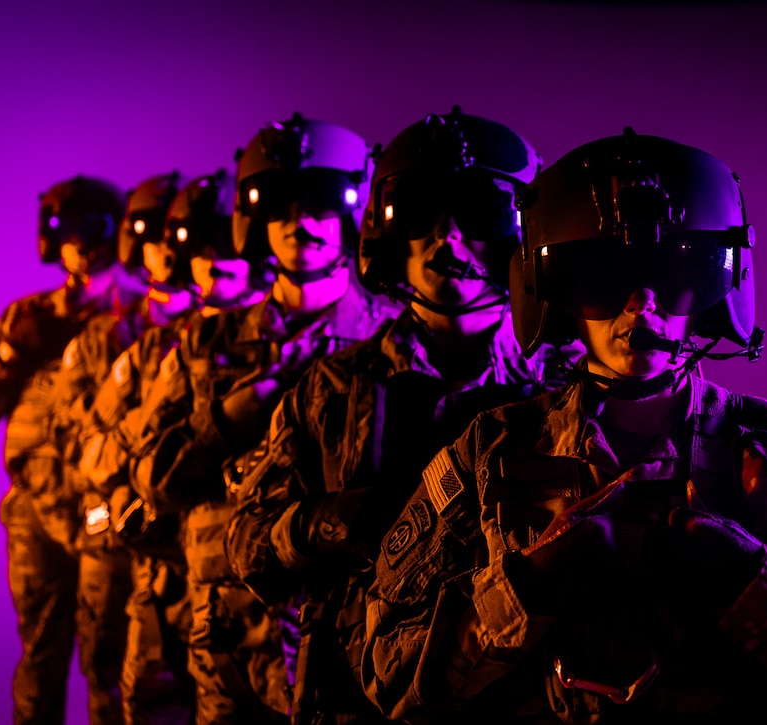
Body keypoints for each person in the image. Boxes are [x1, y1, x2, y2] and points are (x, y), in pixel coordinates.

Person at [361, 129, 767, 723]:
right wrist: (528, 586)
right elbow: (386, 675)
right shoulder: (490, 453)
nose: (641, 301)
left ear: (718, 284)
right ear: (553, 286)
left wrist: (755, 583)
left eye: (672, 269)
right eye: (606, 274)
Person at [223, 107, 579, 725]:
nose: (447, 237)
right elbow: (245, 545)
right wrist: (323, 523)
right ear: (385, 233)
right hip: (352, 698)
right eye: (419, 213)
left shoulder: (567, 389)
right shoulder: (333, 388)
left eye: (481, 213)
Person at [130, 114, 394, 724]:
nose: (300, 221)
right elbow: (150, 475)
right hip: (224, 636)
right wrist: (227, 417)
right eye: (278, 204)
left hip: (348, 642)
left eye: (323, 201)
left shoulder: (391, 339)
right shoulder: (204, 343)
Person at [77, 169, 270, 724]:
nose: (212, 261)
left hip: (262, 597)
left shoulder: (292, 344)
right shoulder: (161, 350)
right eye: (198, 248)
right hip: (172, 574)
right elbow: (98, 453)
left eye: (225, 245)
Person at [0, 175, 142, 725]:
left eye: (95, 229)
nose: (82, 243)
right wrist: (12, 352)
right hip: (34, 513)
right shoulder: (28, 315)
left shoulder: (140, 317)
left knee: (109, 660)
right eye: (69, 231)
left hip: (107, 510)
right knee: (40, 658)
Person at [51, 171, 192, 725]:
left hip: (185, 547)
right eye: (154, 239)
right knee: (110, 677)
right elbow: (71, 437)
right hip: (111, 531)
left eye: (179, 237)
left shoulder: (224, 332)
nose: (168, 252)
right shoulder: (107, 338)